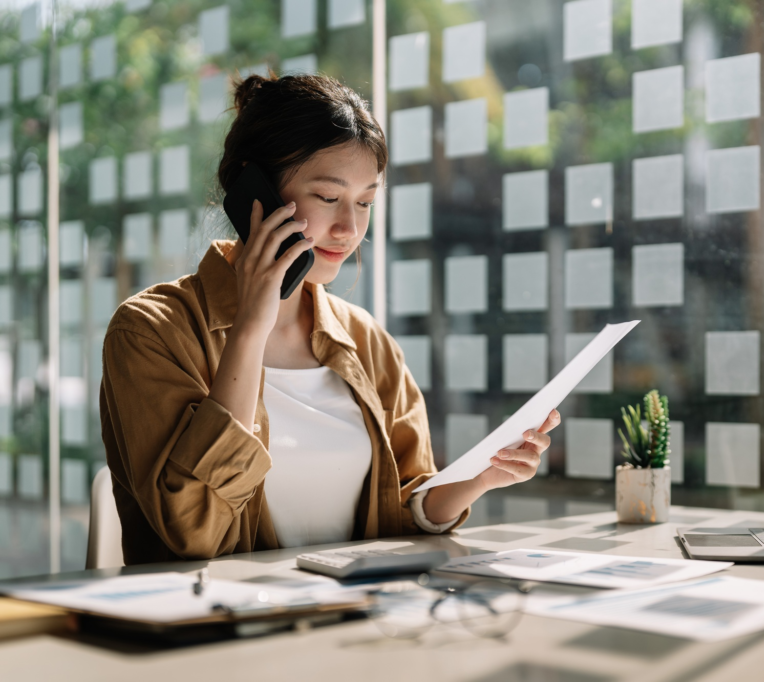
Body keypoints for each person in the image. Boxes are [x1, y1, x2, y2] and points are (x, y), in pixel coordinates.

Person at [100, 73, 559, 565]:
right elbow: (193, 533)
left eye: (365, 202)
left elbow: (398, 514)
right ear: (255, 194)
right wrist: (251, 328)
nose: (349, 228)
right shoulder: (150, 331)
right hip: (221, 611)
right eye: (327, 197)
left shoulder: (366, 341)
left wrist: (479, 478)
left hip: (352, 607)